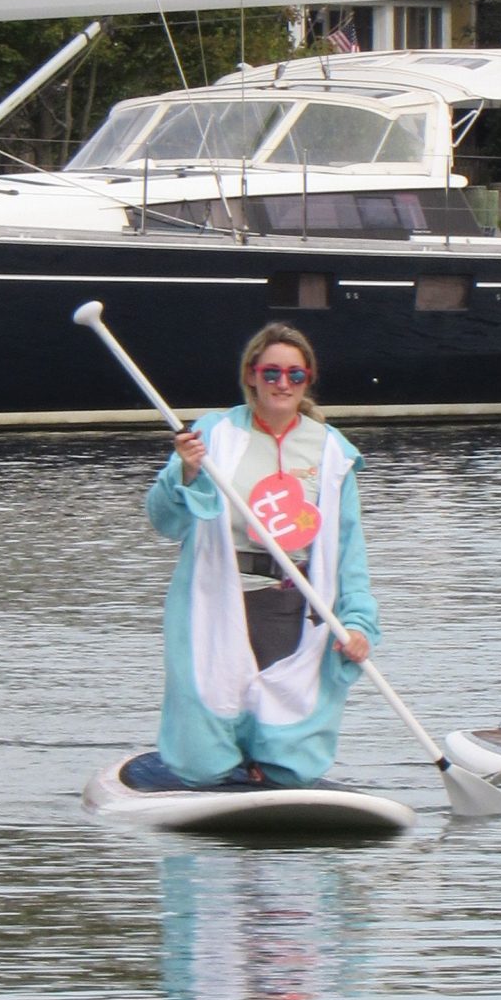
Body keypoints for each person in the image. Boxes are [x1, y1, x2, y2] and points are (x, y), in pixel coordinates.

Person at [143, 323, 379, 786]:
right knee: (207, 716)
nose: (283, 385)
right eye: (271, 373)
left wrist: (357, 622)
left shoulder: (331, 451)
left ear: (308, 380)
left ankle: (271, 773)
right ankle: (210, 770)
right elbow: (164, 522)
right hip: (214, 598)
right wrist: (185, 475)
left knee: (286, 714)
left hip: (291, 601)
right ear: (251, 375)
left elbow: (349, 549)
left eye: (295, 375)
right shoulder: (212, 436)